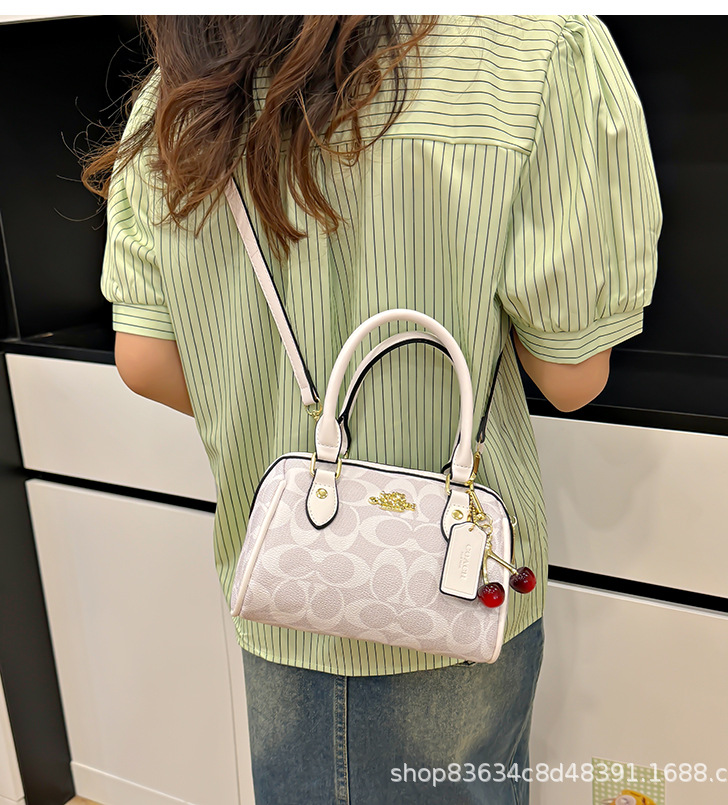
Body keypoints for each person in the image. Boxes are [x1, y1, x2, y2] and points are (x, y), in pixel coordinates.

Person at [82, 14, 662, 804]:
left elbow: (145, 360)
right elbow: (571, 376)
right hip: (455, 587)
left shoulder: (184, 85)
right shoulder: (537, 52)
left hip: (287, 583)